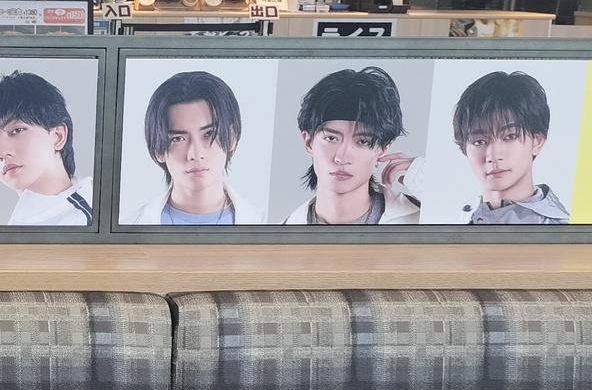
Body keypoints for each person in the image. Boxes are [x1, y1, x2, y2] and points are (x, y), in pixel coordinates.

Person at [283, 65, 419, 225]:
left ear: (383, 149)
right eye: (331, 138)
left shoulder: (421, 219)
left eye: (362, 141)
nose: (342, 158)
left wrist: (426, 176)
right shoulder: (280, 233)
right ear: (308, 142)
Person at [127, 70, 265, 224]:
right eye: (178, 139)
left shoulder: (264, 223)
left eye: (209, 134)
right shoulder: (129, 226)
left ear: (232, 137)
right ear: (158, 150)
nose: (196, 154)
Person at [0, 70, 93, 225]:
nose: (2, 152)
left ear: (58, 136)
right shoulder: (28, 221)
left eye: (17, 130)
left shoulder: (84, 222)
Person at [452, 70, 568, 224]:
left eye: (509, 136)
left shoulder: (561, 229)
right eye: (479, 141)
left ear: (537, 141)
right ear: (464, 148)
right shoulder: (462, 220)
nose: (493, 156)